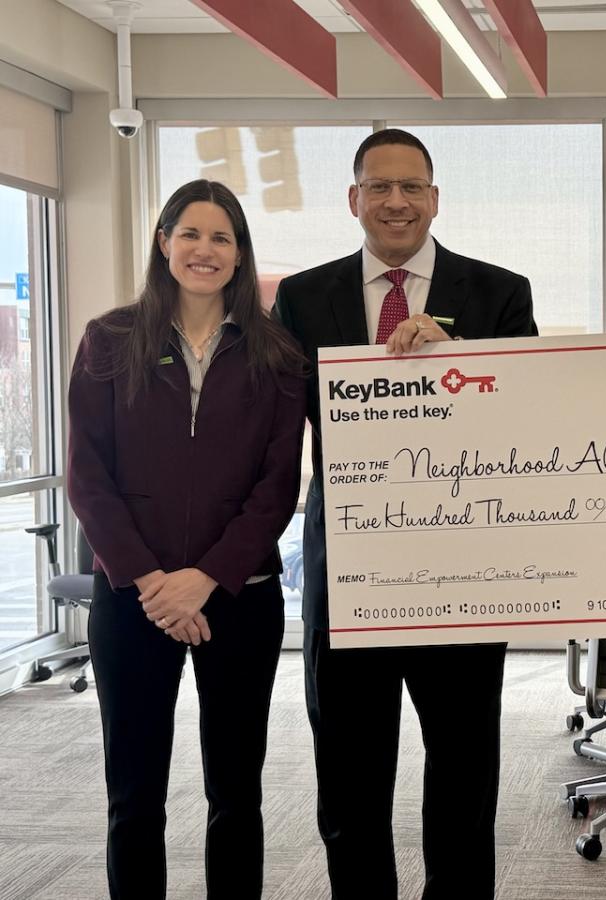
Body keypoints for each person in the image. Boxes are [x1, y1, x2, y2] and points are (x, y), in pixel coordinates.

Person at [272, 128, 536, 900]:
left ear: (434, 198)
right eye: (378, 187)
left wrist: (461, 361)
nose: (395, 201)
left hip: (461, 573)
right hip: (350, 571)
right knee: (349, 782)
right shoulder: (302, 296)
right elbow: (274, 425)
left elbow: (531, 419)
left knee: (462, 777)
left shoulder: (497, 292)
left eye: (411, 186)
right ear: (354, 199)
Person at [67, 179, 307, 898]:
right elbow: (88, 478)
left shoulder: (277, 354)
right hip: (133, 603)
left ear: (239, 256)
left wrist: (204, 578)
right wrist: (151, 583)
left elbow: (277, 487)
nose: (205, 250)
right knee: (133, 797)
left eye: (222, 237)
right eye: (191, 234)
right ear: (163, 243)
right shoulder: (109, 341)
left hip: (240, 598)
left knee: (236, 795)